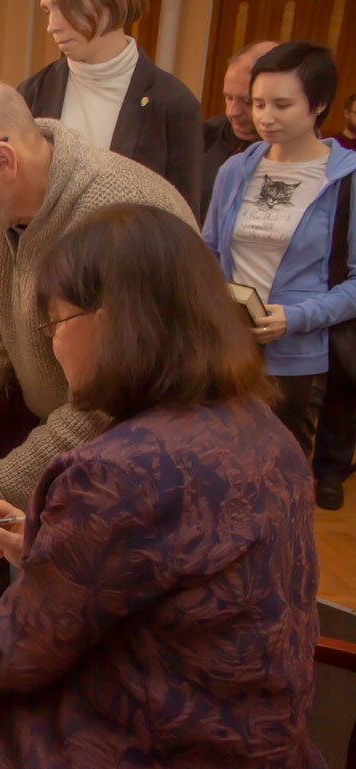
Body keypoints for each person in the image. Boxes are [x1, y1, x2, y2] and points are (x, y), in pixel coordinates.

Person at [0, 203, 332, 769]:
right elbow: (176, 574)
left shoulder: (116, 470)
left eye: (57, 321)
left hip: (150, 766)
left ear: (109, 322)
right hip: (261, 755)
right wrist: (47, 544)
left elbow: (17, 653)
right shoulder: (264, 429)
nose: (54, 342)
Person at [0, 77, 194, 614]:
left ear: (3, 161)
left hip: (136, 466)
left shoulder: (115, 212)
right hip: (71, 444)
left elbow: (105, 404)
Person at [202, 41, 356, 463]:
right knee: (220, 463)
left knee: (278, 472)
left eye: (282, 105)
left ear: (319, 104)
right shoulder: (235, 169)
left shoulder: (346, 179)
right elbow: (210, 251)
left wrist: (296, 317)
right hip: (229, 350)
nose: (264, 117)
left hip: (297, 358)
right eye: (258, 103)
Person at [19, 0, 203, 218]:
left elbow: (183, 222)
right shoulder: (32, 93)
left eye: (67, 8)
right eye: (48, 10)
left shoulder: (173, 104)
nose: (52, 25)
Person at [313, 90, 356, 508]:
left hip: (345, 288)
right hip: (317, 290)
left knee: (344, 388)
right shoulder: (329, 156)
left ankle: (331, 471)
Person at [202, 41, 280, 215]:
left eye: (247, 101)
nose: (232, 112)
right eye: (228, 98)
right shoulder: (206, 134)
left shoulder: (291, 154)